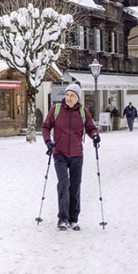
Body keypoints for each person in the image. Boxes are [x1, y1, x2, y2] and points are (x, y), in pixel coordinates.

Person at [41, 83, 99, 231]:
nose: (69, 98)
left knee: (75, 186)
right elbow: (46, 126)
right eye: (67, 95)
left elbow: (90, 127)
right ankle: (63, 218)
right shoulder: (56, 109)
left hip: (76, 154)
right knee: (63, 183)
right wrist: (48, 141)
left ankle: (74, 219)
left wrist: (95, 136)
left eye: (72, 95)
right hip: (59, 153)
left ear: (77, 97)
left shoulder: (83, 112)